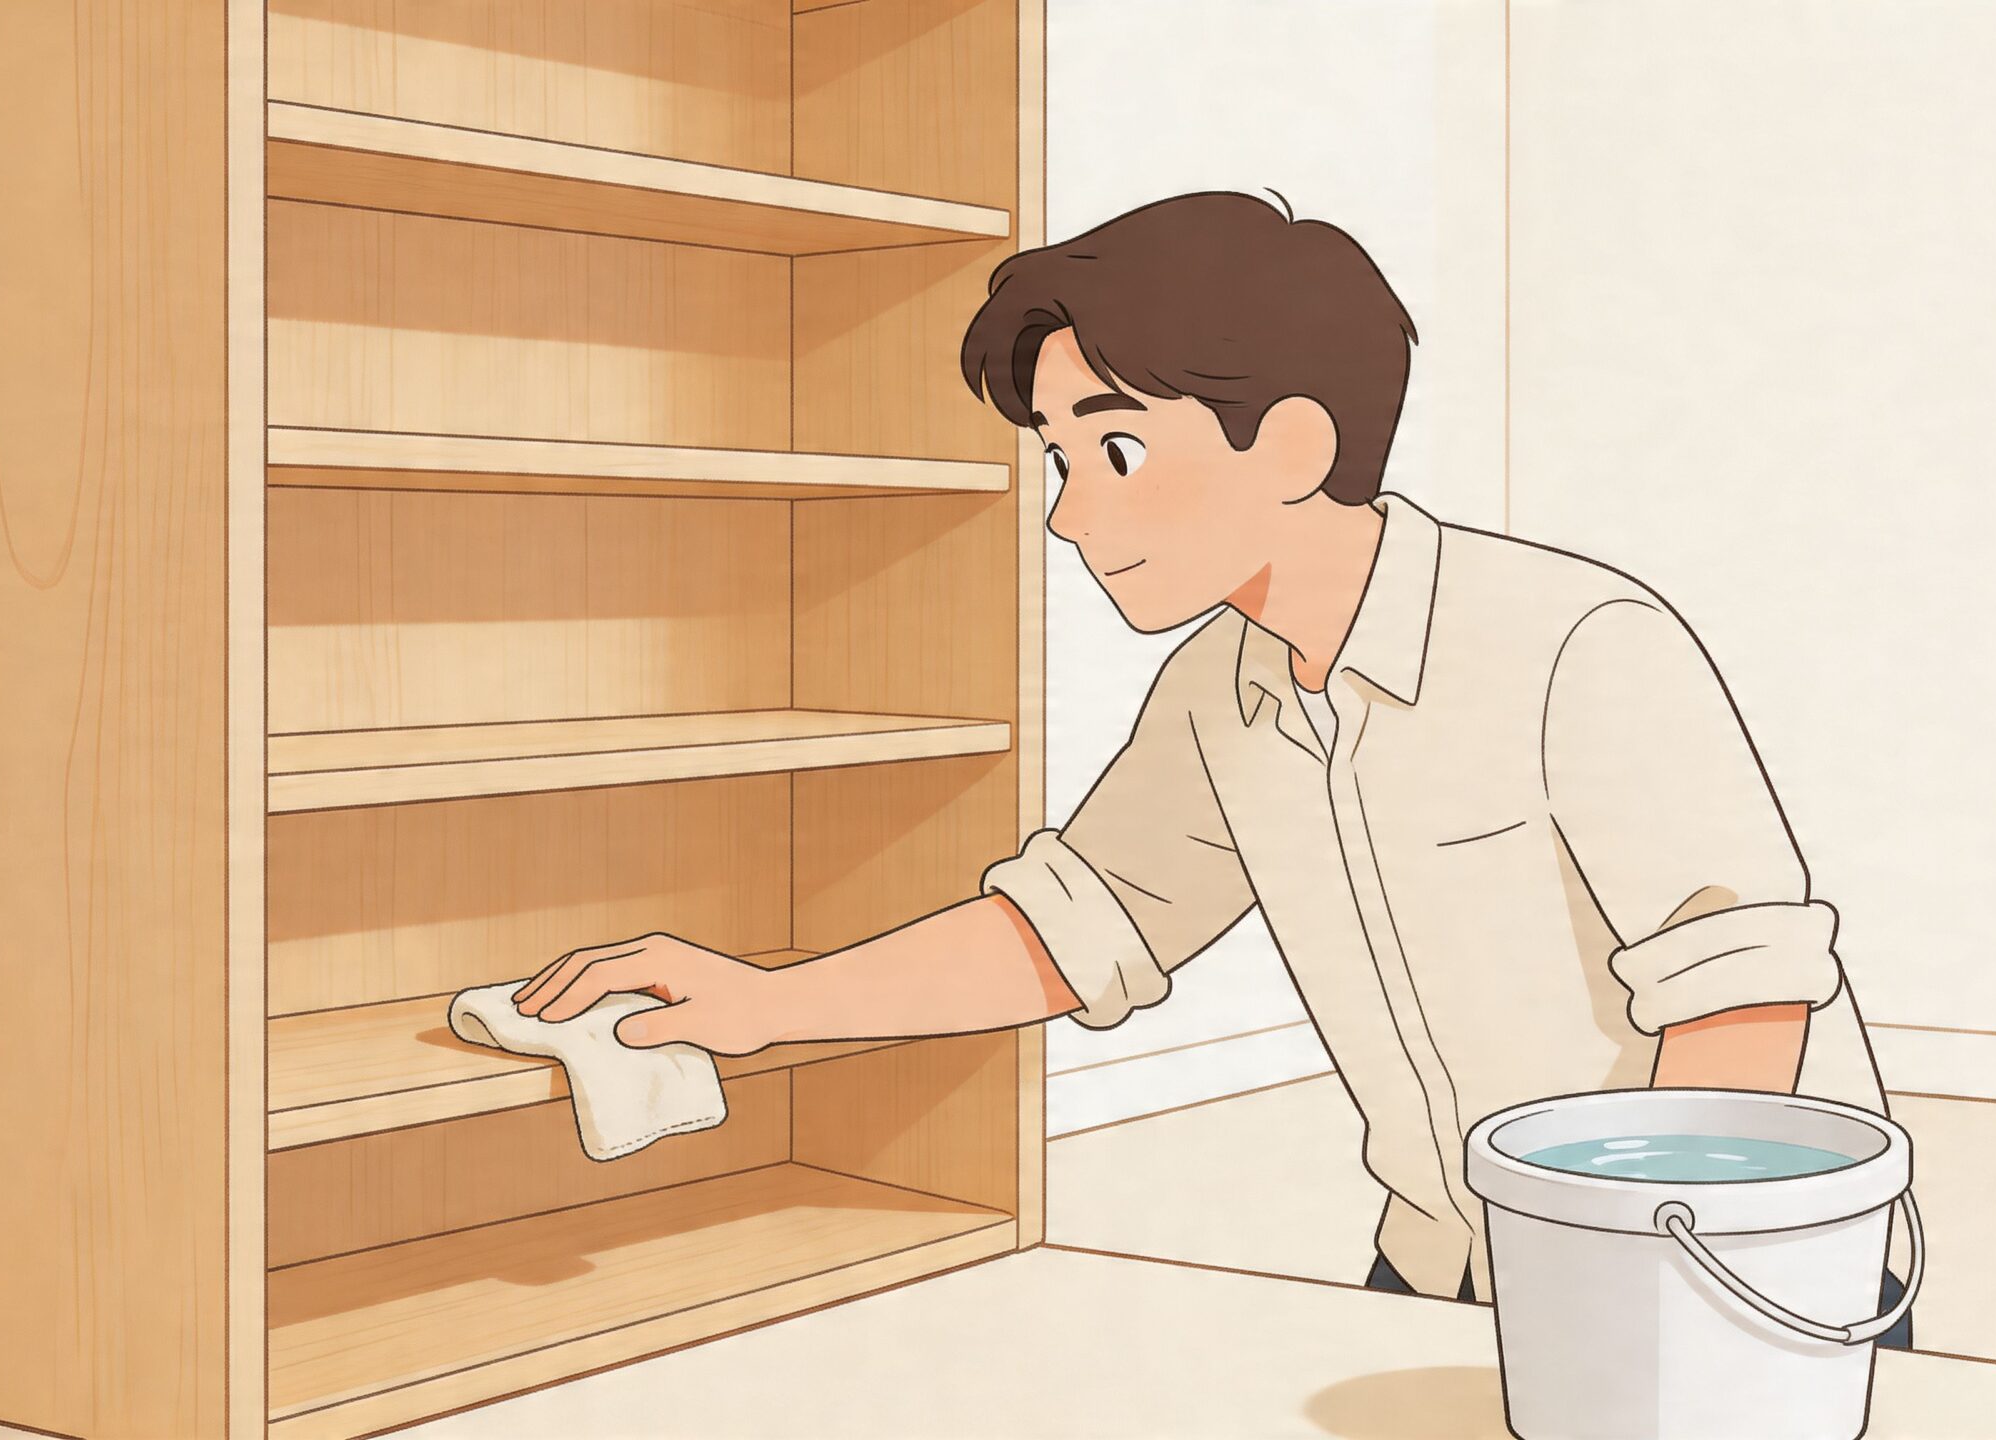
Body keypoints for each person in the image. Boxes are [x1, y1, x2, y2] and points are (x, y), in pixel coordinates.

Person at [512, 191, 1907, 1345]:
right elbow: (1077, 927)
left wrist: (1635, 1291)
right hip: (1446, 1268)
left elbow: (1741, 1000)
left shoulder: (1580, 643)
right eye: (1056, 459)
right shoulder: (1219, 693)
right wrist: (764, 1006)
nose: (1067, 516)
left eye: (1115, 450)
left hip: (1720, 1270)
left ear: (1293, 445)